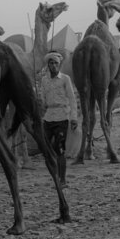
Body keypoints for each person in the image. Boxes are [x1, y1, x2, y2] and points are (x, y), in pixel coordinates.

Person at [37, 51, 78, 183]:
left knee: (60, 149)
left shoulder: (65, 79)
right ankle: (54, 175)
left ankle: (62, 179)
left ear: (59, 65)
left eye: (56, 63)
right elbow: (43, 99)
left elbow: (72, 99)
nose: (53, 65)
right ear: (48, 65)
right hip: (48, 117)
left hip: (62, 117)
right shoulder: (44, 80)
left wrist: (74, 118)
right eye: (51, 63)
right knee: (46, 148)